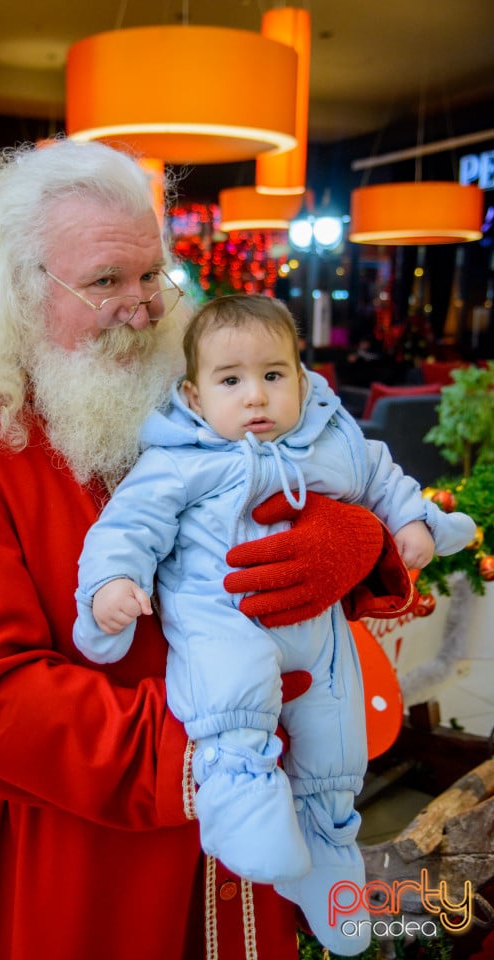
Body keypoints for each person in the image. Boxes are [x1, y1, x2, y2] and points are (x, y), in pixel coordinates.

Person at [0, 138, 411, 960]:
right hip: (80, 854)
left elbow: (323, 480)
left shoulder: (188, 395)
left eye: (151, 273)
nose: (146, 305)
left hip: (246, 824)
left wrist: (361, 538)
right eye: (105, 281)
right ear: (20, 292)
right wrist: (208, 757)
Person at [73, 294, 476, 955]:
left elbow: (382, 476)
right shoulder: (179, 458)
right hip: (219, 615)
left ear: (302, 375)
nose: (255, 396)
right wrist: (112, 586)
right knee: (234, 683)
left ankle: (328, 849)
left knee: (336, 725)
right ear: (195, 396)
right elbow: (128, 526)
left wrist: (411, 524)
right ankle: (239, 793)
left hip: (315, 626)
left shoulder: (331, 439)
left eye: (273, 374)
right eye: (230, 380)